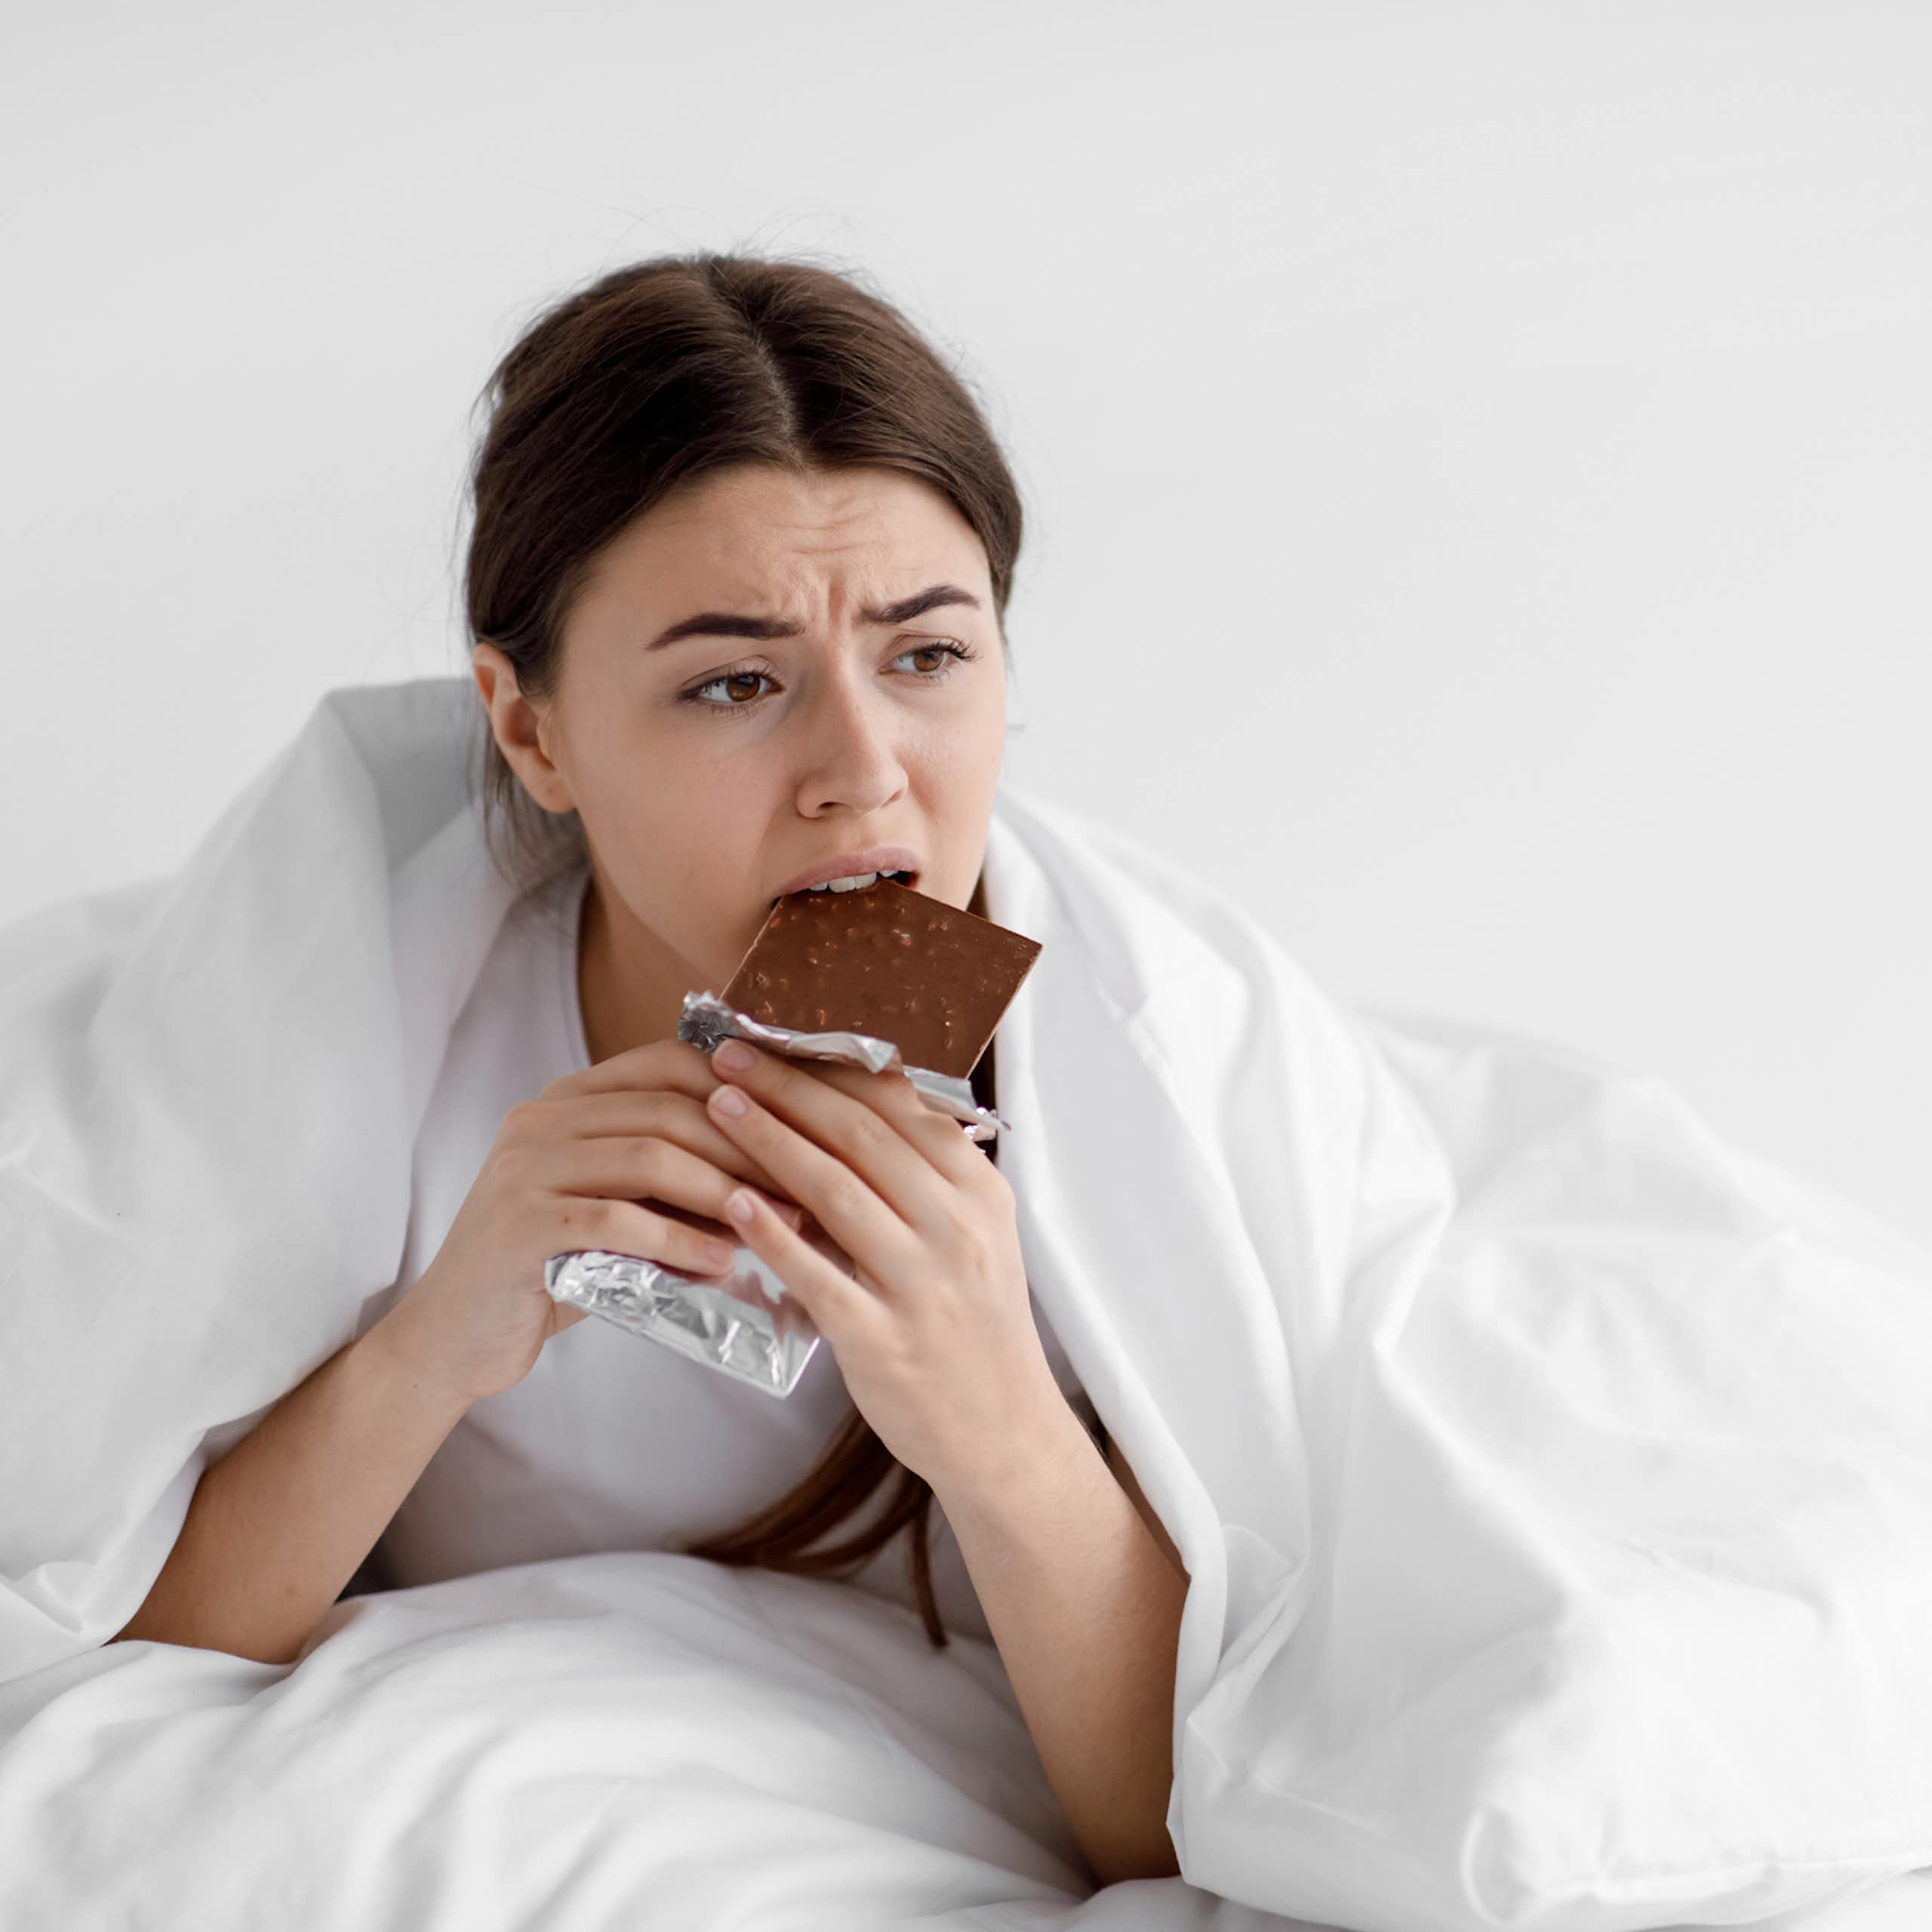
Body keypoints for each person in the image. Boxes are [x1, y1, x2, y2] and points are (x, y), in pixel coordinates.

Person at [112, 249, 1181, 1687]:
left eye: (926, 656)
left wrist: (999, 1422)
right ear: (532, 730)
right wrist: (432, 1348)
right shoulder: (354, 1006)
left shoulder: (1140, 1054)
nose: (863, 778)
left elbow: (1204, 1805)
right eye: (735, 683)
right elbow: (114, 1662)